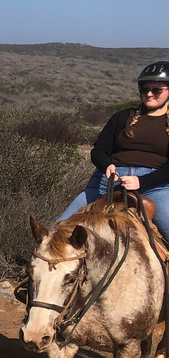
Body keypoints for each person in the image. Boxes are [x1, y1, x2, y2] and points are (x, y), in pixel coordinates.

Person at [58, 61, 169, 235]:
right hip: (109, 180)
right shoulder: (121, 117)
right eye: (144, 89)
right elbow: (99, 150)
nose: (149, 94)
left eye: (156, 90)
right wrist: (107, 166)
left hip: (156, 185)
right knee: (58, 231)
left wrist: (142, 182)